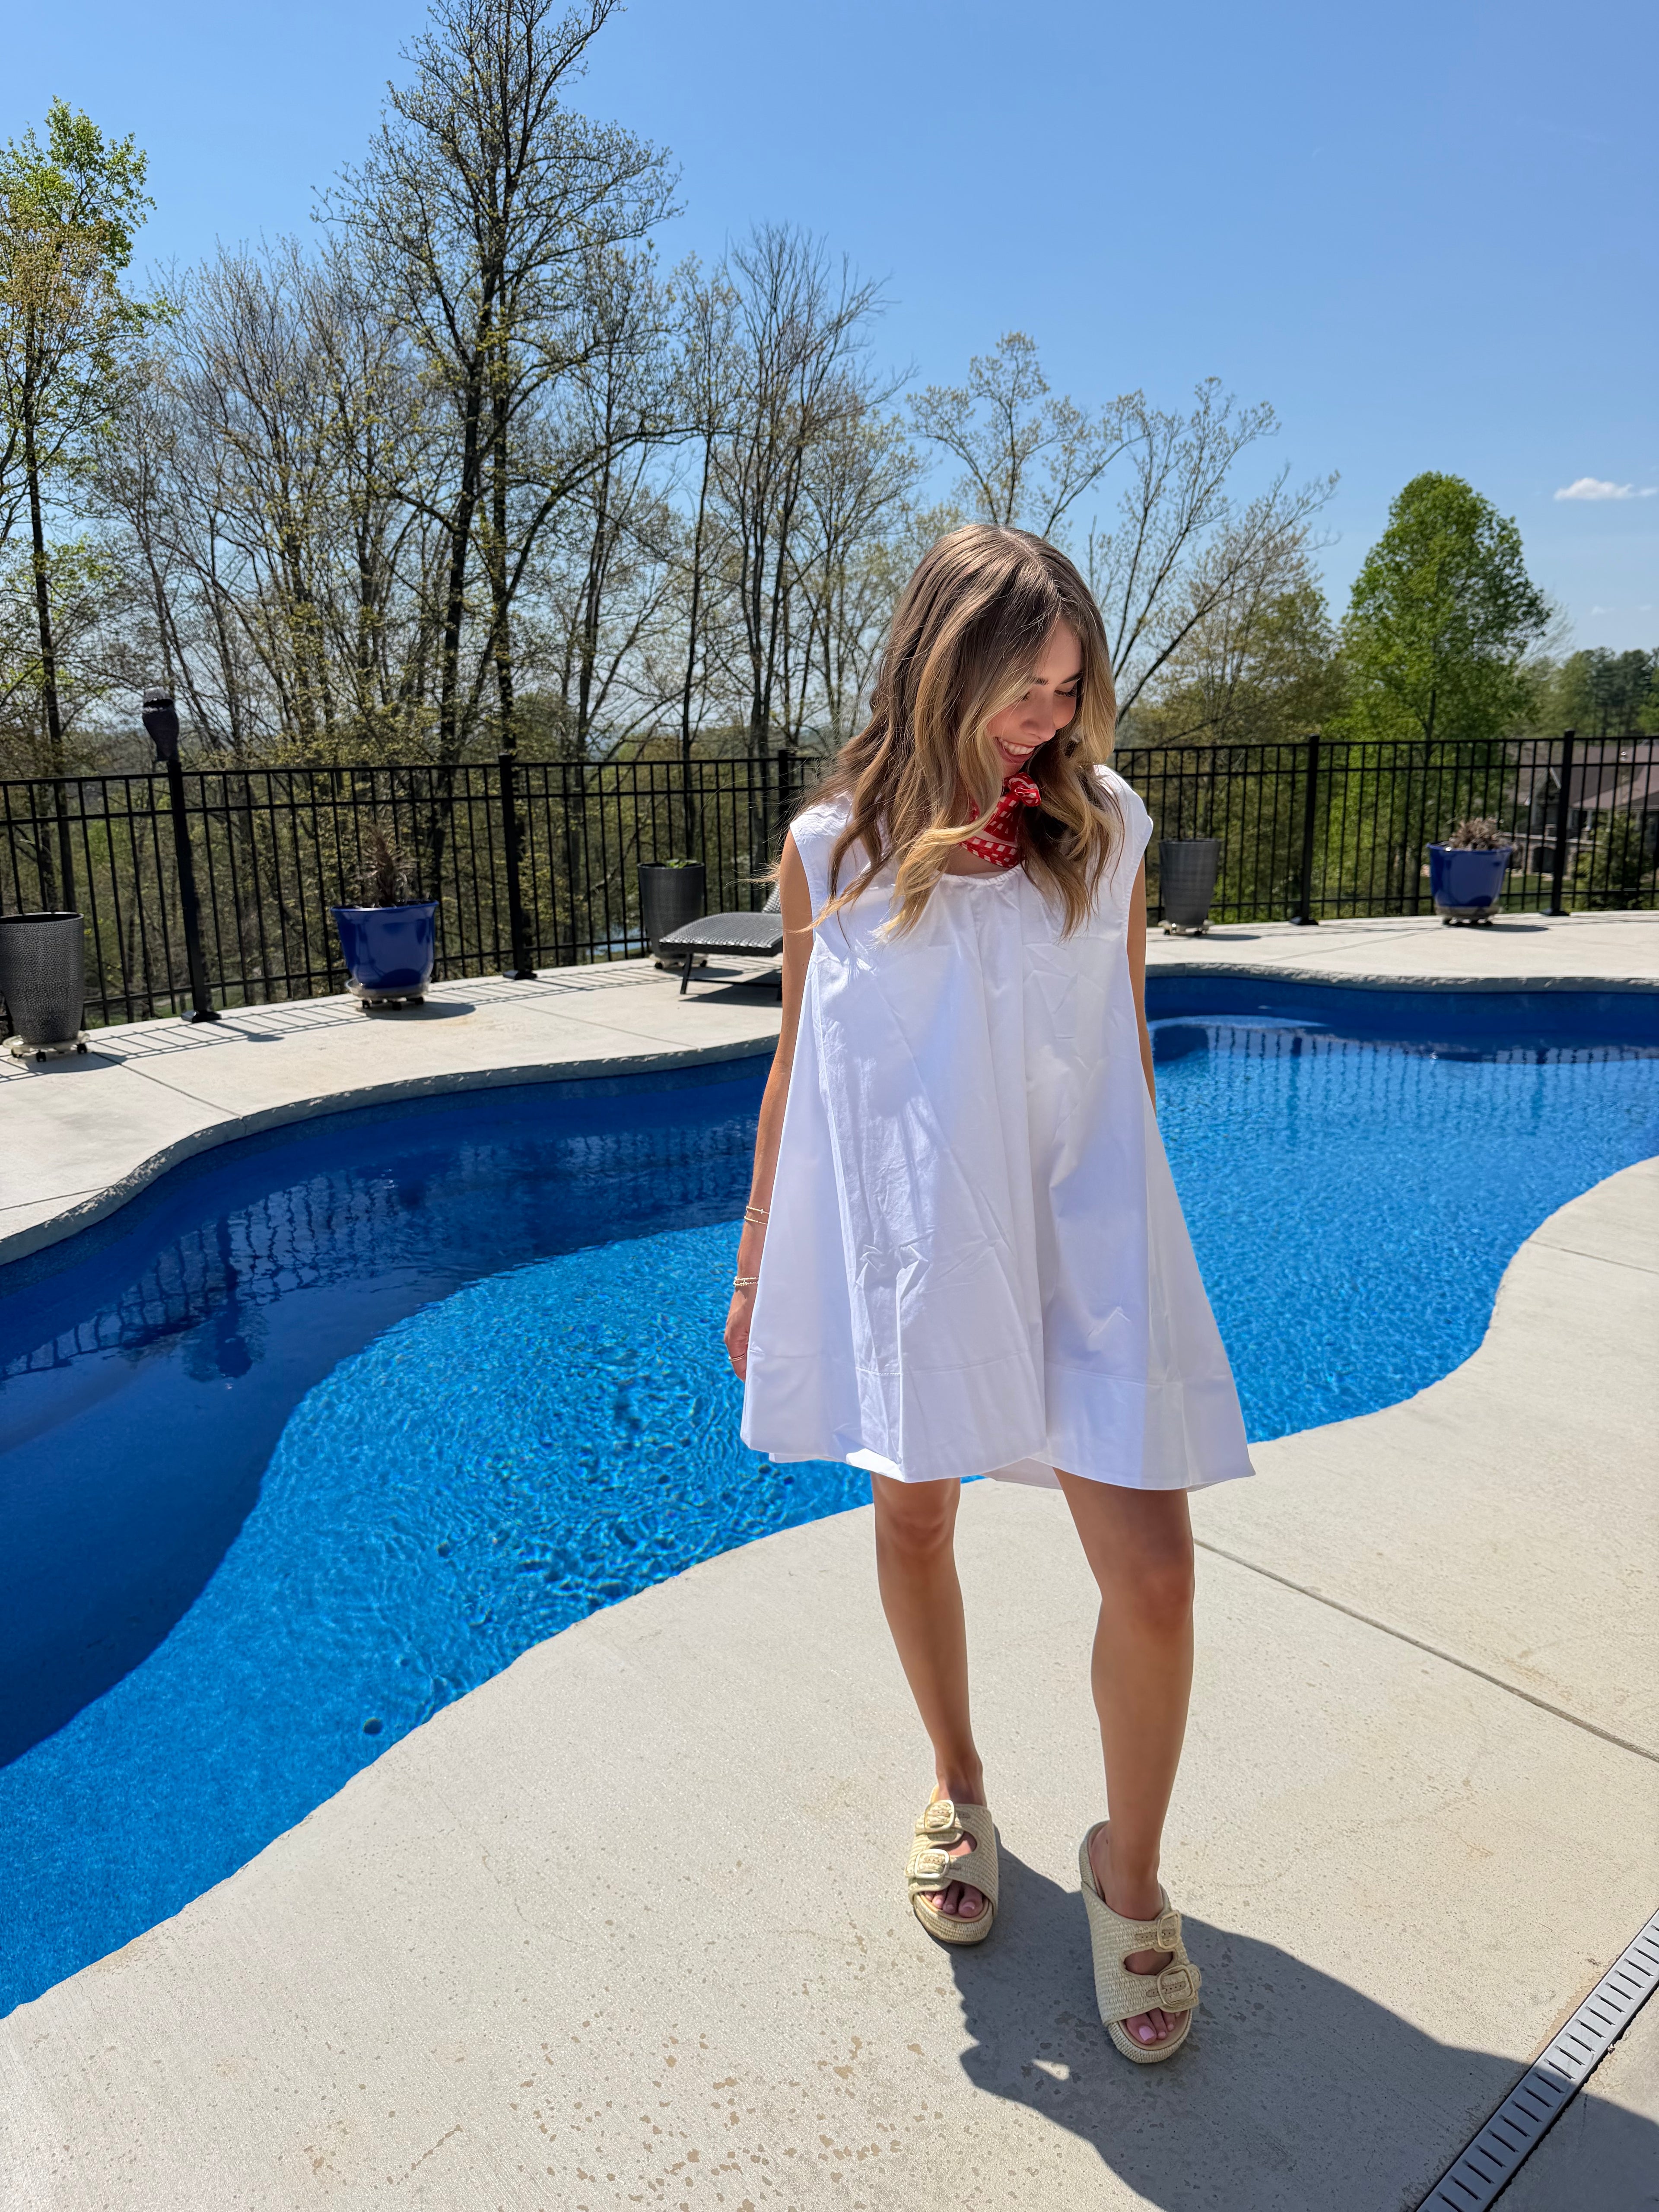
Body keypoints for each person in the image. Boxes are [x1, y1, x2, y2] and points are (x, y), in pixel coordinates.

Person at [724, 524, 1252, 2063]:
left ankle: (1126, 1873)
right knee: (915, 1512)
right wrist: (763, 1256)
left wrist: (1154, 1254)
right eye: (1026, 688)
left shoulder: (1114, 826)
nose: (1052, 719)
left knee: (1154, 1575)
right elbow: (801, 1070)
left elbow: (1127, 1046)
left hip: (1086, 1231)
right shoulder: (837, 847)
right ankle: (958, 1784)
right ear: (941, 662)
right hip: (918, 1239)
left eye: (1071, 689)